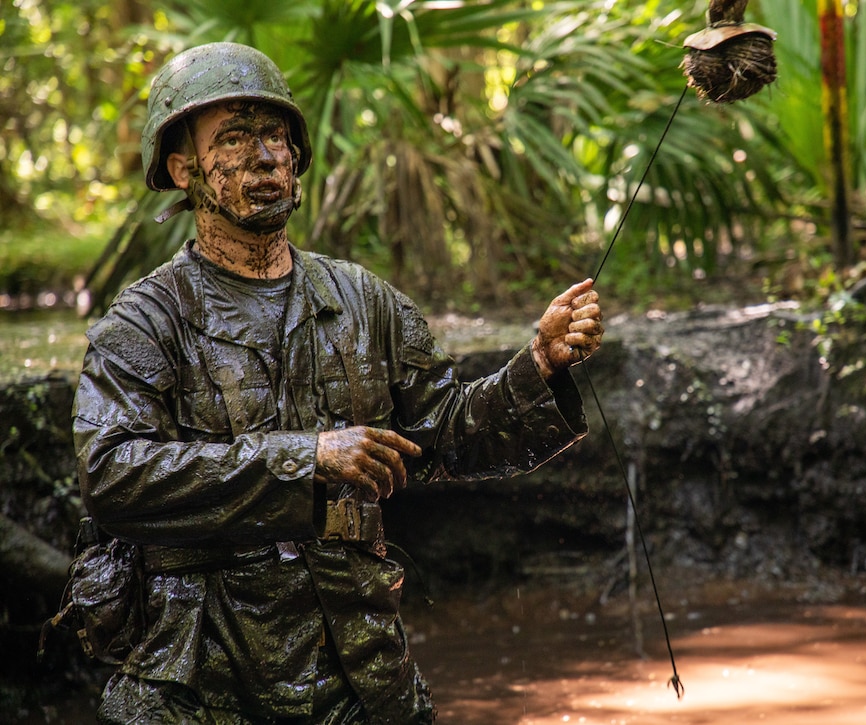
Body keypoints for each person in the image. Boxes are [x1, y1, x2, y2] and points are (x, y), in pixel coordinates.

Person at [72, 41, 603, 724]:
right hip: (199, 677)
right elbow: (112, 476)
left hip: (356, 668)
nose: (263, 156)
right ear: (183, 169)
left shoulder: (363, 301)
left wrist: (540, 364)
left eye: (275, 135)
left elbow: (447, 435)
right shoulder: (144, 321)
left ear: (296, 157)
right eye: (233, 138)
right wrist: (307, 457)